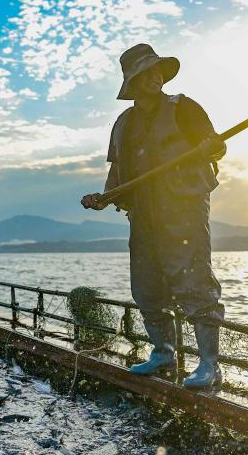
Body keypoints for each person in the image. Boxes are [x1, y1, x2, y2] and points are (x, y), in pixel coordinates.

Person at [81, 43, 227, 389]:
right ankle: (163, 353)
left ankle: (209, 364)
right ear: (133, 80)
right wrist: (102, 198)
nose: (155, 76)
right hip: (143, 214)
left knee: (193, 283)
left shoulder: (184, 107)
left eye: (158, 70)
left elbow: (218, 145)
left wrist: (210, 146)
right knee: (147, 287)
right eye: (146, 72)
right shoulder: (123, 123)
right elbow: (117, 173)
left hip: (183, 209)